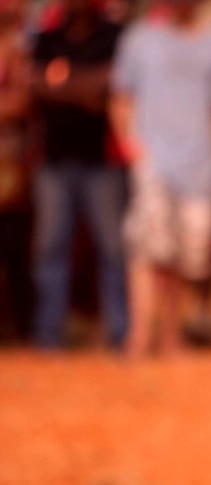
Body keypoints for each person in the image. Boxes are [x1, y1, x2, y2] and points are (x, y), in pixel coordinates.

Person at [110, 0, 211, 357]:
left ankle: (171, 340)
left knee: (185, 257)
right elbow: (121, 98)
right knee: (147, 252)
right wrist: (133, 147)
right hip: (153, 163)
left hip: (201, 167)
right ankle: (138, 338)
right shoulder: (139, 40)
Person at [30, 0, 127, 349]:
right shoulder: (46, 36)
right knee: (50, 248)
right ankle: (48, 336)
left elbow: (109, 89)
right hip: (53, 162)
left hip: (103, 162)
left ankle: (120, 336)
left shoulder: (115, 36)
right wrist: (84, 88)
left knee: (113, 250)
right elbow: (32, 84)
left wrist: (60, 85)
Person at [0, 0, 33, 344]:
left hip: (9, 161)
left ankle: (23, 329)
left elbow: (22, 100)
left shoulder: (18, 51)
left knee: (12, 243)